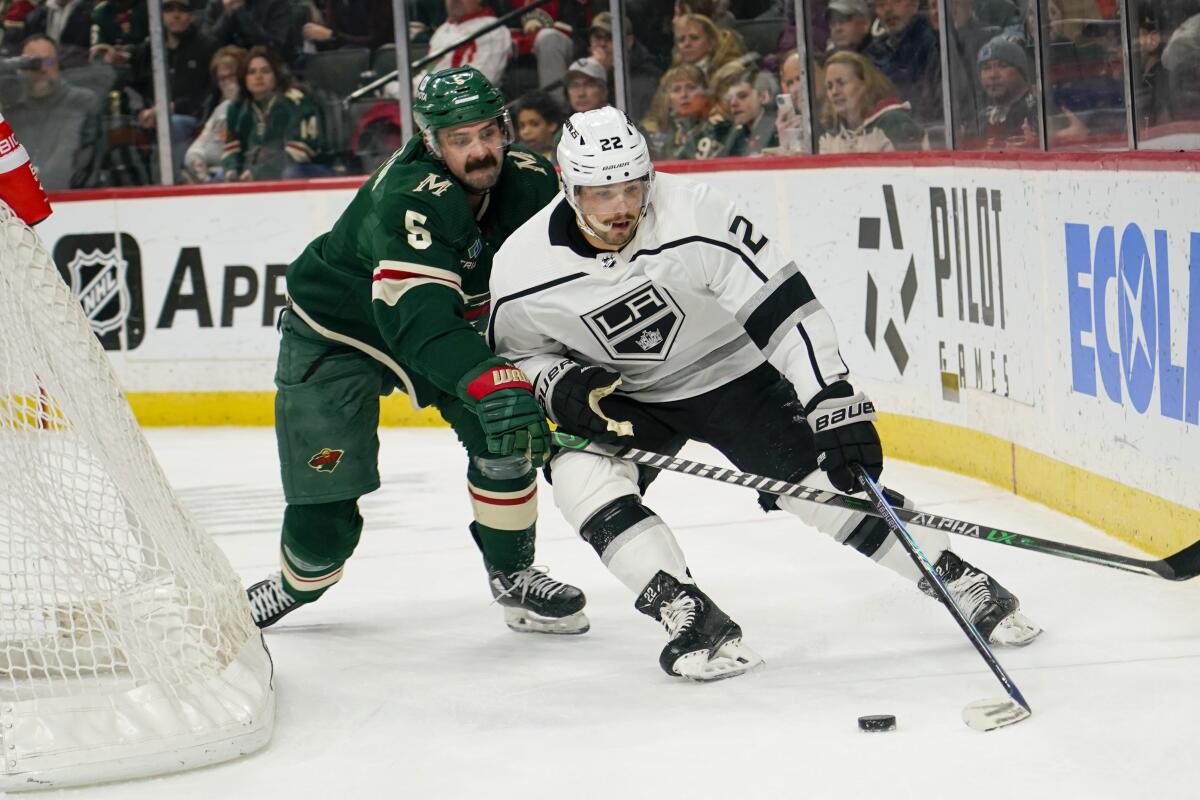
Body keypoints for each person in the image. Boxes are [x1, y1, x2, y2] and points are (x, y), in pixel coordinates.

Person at [488, 106, 1041, 681]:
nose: (623, 207)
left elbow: (787, 311)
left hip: (735, 375)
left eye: (633, 187)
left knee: (819, 485)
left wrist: (832, 402)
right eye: (602, 194)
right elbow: (515, 353)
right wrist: (554, 382)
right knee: (579, 477)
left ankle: (950, 572)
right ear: (566, 185)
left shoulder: (698, 213)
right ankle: (688, 613)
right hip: (625, 396)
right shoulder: (522, 266)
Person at [244, 66, 589, 638]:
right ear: (431, 141)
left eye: (487, 132)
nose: (480, 151)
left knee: (501, 435)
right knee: (326, 500)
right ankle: (296, 582)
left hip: (438, 324)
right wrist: (495, 381)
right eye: (460, 139)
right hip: (338, 333)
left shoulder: (530, 181)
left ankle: (513, 575)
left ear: (504, 127)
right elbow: (420, 323)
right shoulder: (409, 197)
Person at [6, 35, 99, 190]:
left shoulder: (81, 102)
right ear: (20, 70)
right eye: (33, 63)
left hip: (72, 200)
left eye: (49, 62)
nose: (42, 69)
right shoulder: (11, 112)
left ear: (58, 65)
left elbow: (72, 165)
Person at [130, 0, 216, 167]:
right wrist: (140, 111)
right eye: (169, 9)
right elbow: (132, 88)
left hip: (190, 118)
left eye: (182, 9)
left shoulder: (207, 46)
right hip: (149, 117)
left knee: (172, 124)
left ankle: (171, 186)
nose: (176, 15)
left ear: (191, 14)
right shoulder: (147, 49)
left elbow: (210, 93)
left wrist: (173, 107)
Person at [221, 46, 324, 180]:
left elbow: (300, 151)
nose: (258, 77)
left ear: (276, 74)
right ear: (244, 78)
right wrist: (232, 171)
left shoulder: (296, 101)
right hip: (252, 170)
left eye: (265, 71)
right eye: (252, 72)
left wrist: (260, 172)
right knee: (219, 178)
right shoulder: (237, 108)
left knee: (290, 174)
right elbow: (232, 150)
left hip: (302, 168)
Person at [818, 50, 928, 153]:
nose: (834, 92)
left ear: (865, 83)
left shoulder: (893, 122)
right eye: (829, 86)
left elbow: (911, 170)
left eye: (841, 83)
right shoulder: (829, 134)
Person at [862, 0, 941, 125]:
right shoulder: (871, 55)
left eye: (896, 1)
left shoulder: (934, 44)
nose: (888, 9)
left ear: (915, 4)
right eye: (881, 4)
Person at [415, 0, 510, 86]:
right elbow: (429, 73)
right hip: (432, 97)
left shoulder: (493, 29)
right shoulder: (443, 29)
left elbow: (478, 83)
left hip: (465, 102)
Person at [184, 45, 244, 181]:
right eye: (222, 79)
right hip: (210, 178)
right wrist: (198, 167)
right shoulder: (221, 110)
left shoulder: (253, 108)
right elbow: (196, 148)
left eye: (231, 76)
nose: (227, 83)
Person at [975, 36, 1039, 149]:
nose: (993, 75)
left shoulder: (1039, 113)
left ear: (1022, 72)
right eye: (986, 68)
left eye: (1003, 66)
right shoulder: (981, 119)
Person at [712, 61, 777, 156]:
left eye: (742, 96)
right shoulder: (734, 136)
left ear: (763, 97)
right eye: (730, 99)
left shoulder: (778, 132)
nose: (733, 103)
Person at [203, 0, 291, 60]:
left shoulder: (275, 4)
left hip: (262, 65)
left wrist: (240, 11)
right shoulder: (216, 4)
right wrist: (227, 12)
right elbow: (208, 45)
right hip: (224, 68)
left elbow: (272, 46)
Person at [513, 89, 563, 162]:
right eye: (522, 126)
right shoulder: (516, 161)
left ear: (552, 125)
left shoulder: (566, 156)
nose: (526, 132)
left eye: (534, 124)